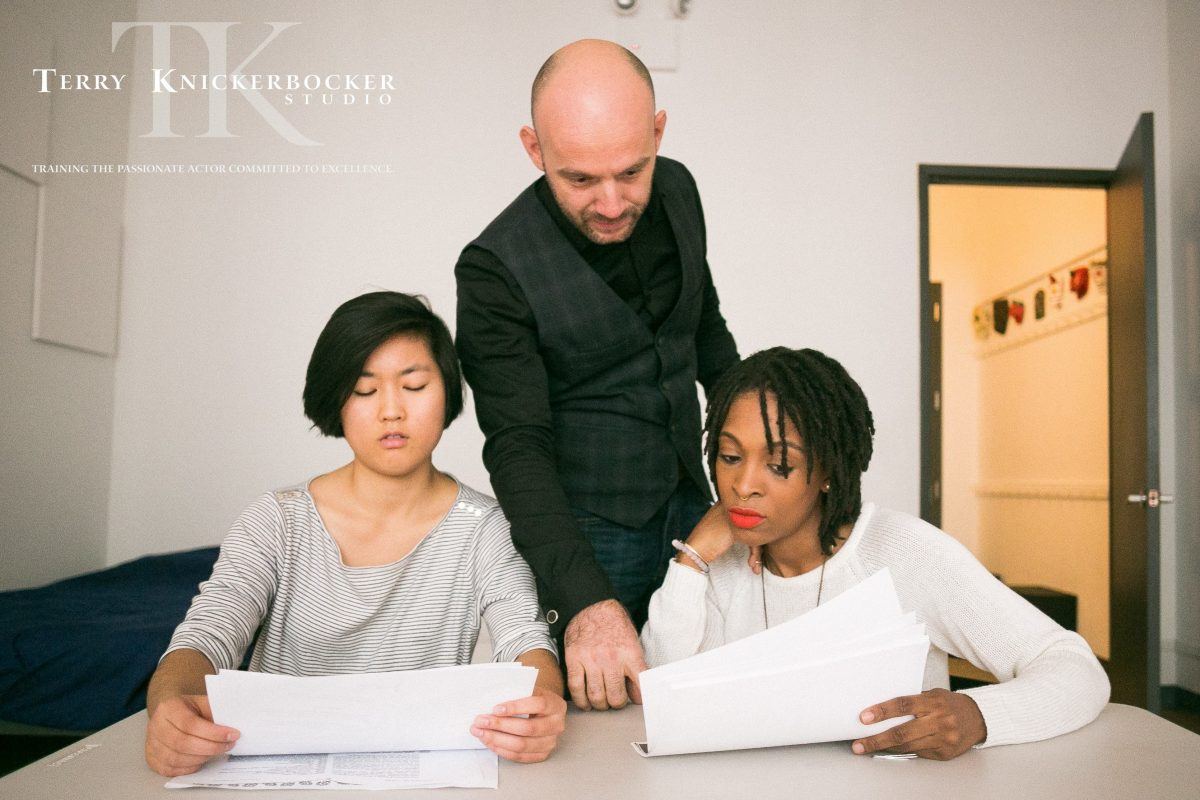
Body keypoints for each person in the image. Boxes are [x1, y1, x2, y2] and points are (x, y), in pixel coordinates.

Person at [144, 292, 566, 777]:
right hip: (275, 774)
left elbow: (525, 641)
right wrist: (170, 709)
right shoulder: (277, 520)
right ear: (336, 402)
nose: (391, 411)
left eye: (414, 385)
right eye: (365, 391)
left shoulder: (485, 528)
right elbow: (208, 634)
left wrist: (543, 704)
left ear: (447, 392)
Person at [640, 347, 1110, 760]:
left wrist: (978, 714)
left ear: (827, 471)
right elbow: (664, 698)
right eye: (730, 457)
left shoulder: (904, 553)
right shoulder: (717, 562)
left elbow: (1074, 667)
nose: (743, 487)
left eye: (780, 464)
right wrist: (692, 560)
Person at [455, 39, 738, 713]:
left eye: (631, 172)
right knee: (603, 727)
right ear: (534, 149)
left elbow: (707, 333)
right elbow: (517, 448)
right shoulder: (493, 269)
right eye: (580, 179)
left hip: (696, 502)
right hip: (588, 535)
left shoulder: (680, 189)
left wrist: (766, 459)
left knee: (717, 700)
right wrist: (584, 600)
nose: (612, 203)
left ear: (658, 133)